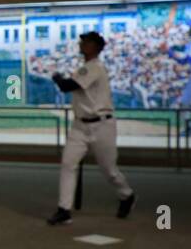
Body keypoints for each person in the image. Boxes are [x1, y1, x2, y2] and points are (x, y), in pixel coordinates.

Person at [47, 31, 134, 226]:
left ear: (96, 47)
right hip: (80, 126)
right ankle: (64, 210)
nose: (82, 44)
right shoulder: (85, 68)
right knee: (68, 164)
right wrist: (60, 78)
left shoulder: (95, 67)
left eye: (87, 42)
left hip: (102, 125)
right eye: (83, 42)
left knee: (109, 170)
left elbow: (67, 86)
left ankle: (126, 195)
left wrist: (57, 77)